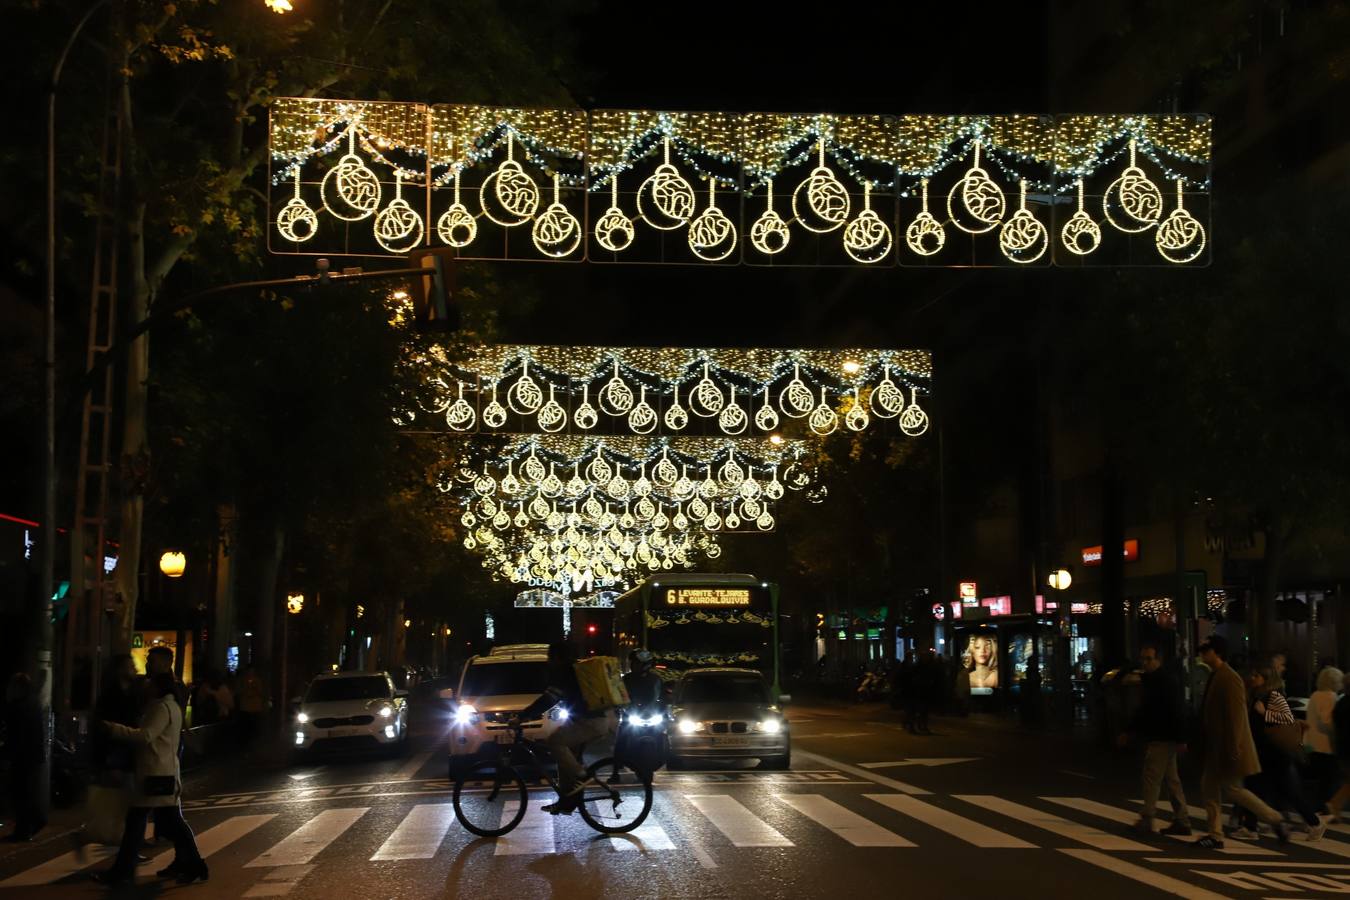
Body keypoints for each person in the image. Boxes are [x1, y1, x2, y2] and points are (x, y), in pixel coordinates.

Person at [93, 671, 207, 887]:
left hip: (156, 775)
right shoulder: (170, 706)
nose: (147, 686)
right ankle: (191, 864)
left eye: (150, 683)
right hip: (163, 773)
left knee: (141, 821)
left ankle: (124, 871)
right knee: (169, 823)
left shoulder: (161, 708)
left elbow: (145, 735)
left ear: (158, 686)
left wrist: (114, 729)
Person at [1193, 636, 1289, 849]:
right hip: (1218, 746)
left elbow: (1237, 715)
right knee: (1213, 788)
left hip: (1226, 746)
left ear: (1217, 652)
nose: (1202, 653)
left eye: (1206, 650)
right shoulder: (1218, 675)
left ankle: (1273, 818)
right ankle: (1216, 834)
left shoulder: (1229, 677)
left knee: (1232, 789)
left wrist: (1235, 745)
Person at [522, 642, 616, 815]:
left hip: (590, 722)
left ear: (559, 658)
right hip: (588, 721)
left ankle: (583, 776)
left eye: (550, 657)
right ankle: (566, 801)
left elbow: (549, 698)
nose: (548, 660)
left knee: (555, 742)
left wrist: (523, 715)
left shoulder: (566, 672)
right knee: (565, 760)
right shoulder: (573, 670)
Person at [1239, 665, 1324, 840]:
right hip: (1264, 751)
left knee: (1282, 790)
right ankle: (1250, 827)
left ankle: (1314, 822)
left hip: (1274, 752)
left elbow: (1287, 719)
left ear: (1266, 679)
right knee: (1255, 787)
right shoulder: (1257, 695)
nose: (1253, 678)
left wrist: (1265, 713)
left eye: (1257, 675)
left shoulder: (1274, 696)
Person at [1118, 643, 1191, 836]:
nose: (1145, 663)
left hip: (1162, 735)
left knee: (1151, 777)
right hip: (1165, 735)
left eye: (1149, 659)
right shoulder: (1155, 680)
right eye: (1143, 659)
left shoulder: (1163, 681)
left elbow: (1175, 710)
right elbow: (1144, 710)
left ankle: (1148, 818)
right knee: (1171, 779)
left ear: (1159, 660)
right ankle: (1181, 819)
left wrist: (1181, 738)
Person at [3, 673, 47, 842]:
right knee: (28, 793)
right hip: (33, 756)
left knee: (20, 794)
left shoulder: (17, 707)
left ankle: (24, 829)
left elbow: (14, 736)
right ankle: (30, 824)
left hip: (21, 757)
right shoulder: (34, 704)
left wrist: (7, 754)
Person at [1307, 667, 1344, 814]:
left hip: (1313, 744)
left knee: (1321, 780)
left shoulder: (1315, 695)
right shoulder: (1330, 697)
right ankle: (1327, 810)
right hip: (1327, 745)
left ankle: (1320, 809)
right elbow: (1327, 722)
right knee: (1330, 780)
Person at [237, 665, 267, 750]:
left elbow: (260, 692)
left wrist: (254, 688)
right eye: (249, 671)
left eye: (252, 671)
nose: (250, 673)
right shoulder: (242, 681)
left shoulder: (257, 681)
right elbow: (239, 691)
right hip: (245, 708)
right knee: (246, 727)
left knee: (254, 727)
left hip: (255, 708)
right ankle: (245, 745)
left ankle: (255, 745)